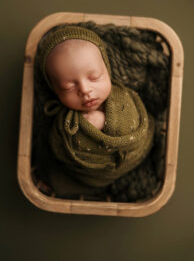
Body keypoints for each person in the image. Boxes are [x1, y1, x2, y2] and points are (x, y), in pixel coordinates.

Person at [36, 25, 155, 190]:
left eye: (94, 77)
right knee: (56, 177)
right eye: (67, 87)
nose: (85, 90)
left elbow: (136, 125)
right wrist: (81, 132)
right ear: (54, 90)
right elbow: (58, 148)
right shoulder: (66, 123)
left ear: (107, 69)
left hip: (138, 154)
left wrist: (105, 122)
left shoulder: (122, 97)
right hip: (89, 177)